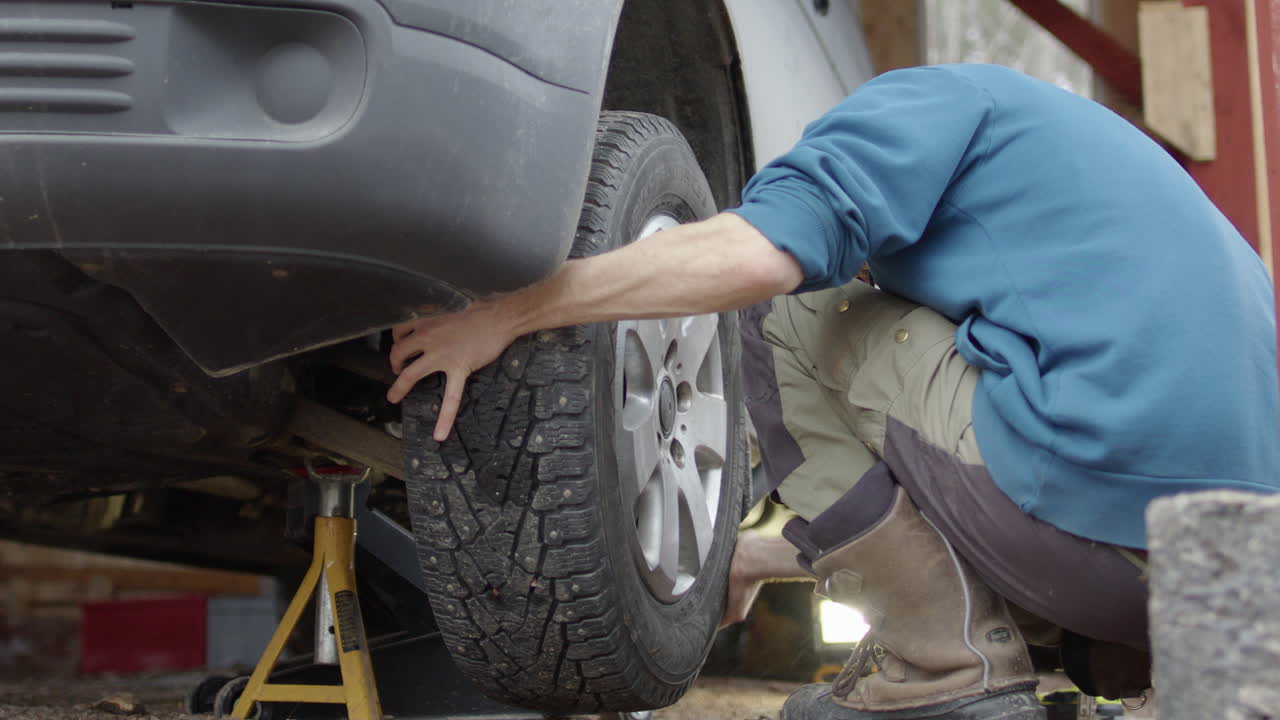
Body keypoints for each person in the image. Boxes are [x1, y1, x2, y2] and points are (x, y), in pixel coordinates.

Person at [386, 64, 1279, 720]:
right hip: (1222, 598)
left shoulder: (907, 110)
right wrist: (748, 558)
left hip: (1091, 539)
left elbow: (758, 255)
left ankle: (943, 677)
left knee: (790, 309)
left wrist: (513, 311)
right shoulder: (1082, 168)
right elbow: (942, 488)